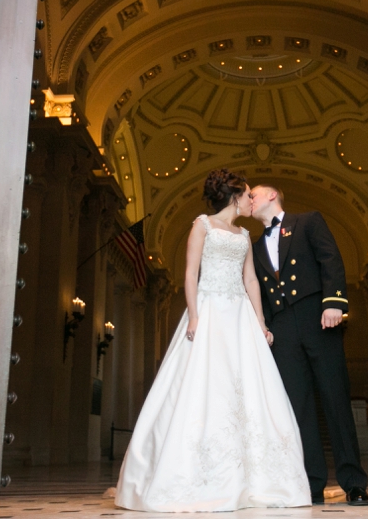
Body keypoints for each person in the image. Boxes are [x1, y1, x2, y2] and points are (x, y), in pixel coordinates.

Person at [115, 169, 310, 512]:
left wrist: (261, 324)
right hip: (209, 311)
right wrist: (193, 314)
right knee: (205, 386)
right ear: (235, 197)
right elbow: (191, 273)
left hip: (240, 318)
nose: (253, 201)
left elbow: (250, 280)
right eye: (249, 195)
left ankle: (256, 479)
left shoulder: (244, 235)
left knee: (249, 390)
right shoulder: (202, 225)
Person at [249, 185, 368, 506]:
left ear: (273, 194)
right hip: (282, 328)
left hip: (317, 316)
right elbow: (256, 290)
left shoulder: (308, 221)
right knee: (298, 408)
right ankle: (312, 482)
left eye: (254, 195)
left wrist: (334, 302)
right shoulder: (254, 245)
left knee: (335, 400)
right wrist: (262, 326)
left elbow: (330, 257)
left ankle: (354, 483)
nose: (250, 200)